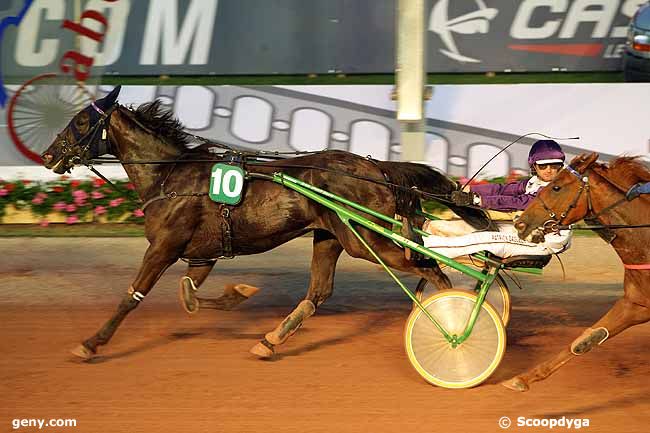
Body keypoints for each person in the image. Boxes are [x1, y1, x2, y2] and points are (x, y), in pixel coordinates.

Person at [423, 139, 572, 259]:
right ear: (534, 166)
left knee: (482, 239)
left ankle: (425, 247)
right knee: (475, 226)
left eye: (554, 165)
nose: (549, 170)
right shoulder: (533, 182)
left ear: (560, 166)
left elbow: (519, 202)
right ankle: (428, 230)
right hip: (527, 229)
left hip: (545, 240)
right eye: (543, 166)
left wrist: (477, 200)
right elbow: (502, 189)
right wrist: (467, 189)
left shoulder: (556, 189)